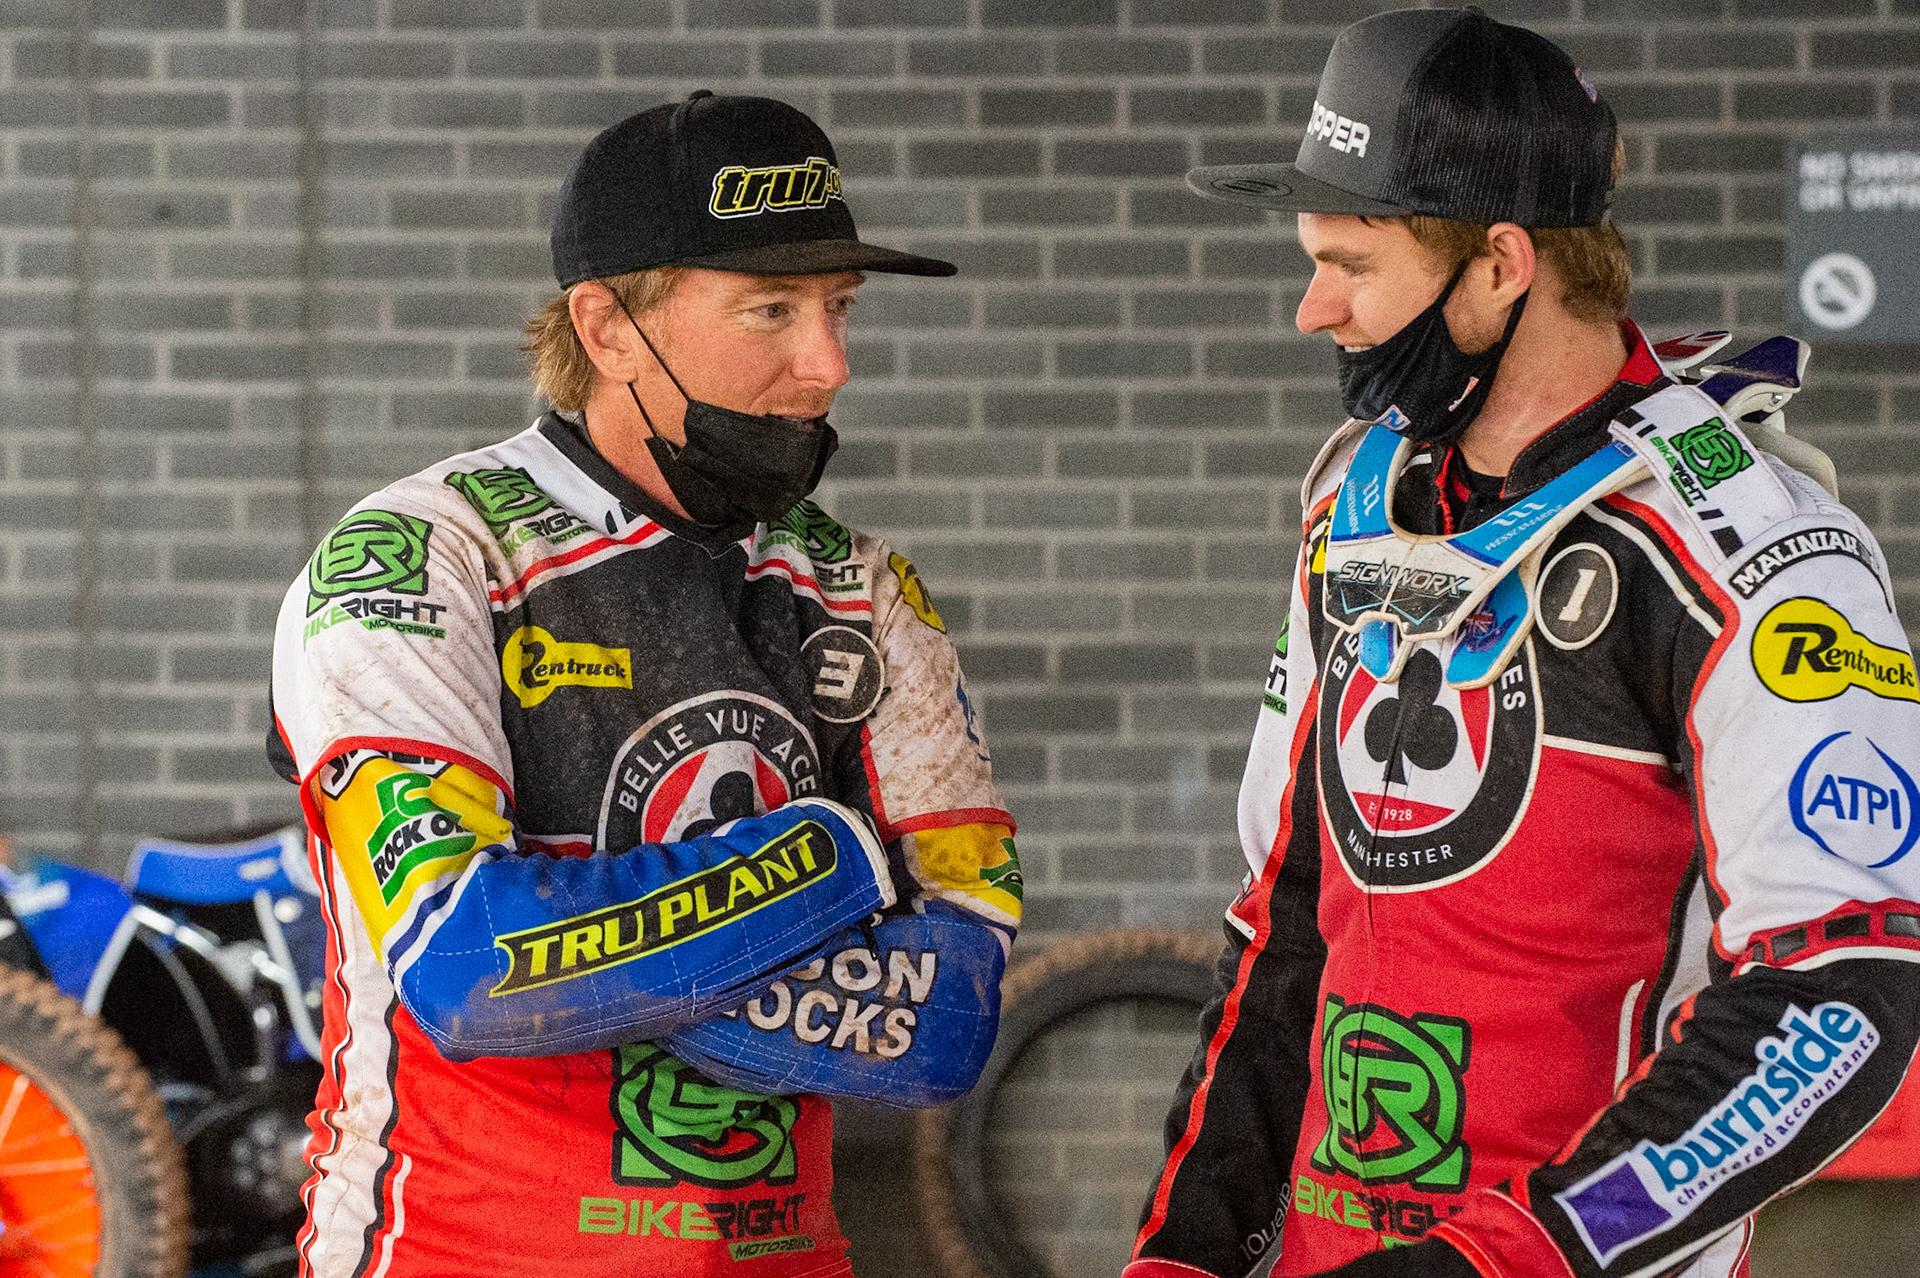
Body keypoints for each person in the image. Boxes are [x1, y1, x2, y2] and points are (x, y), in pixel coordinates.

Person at [1125, 10, 1920, 1278]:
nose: (1312, 308)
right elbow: (1283, 927)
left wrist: (1503, 1259)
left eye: (1351, 264)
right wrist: (1184, 1250)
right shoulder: (1359, 505)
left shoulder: (1752, 552)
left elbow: (1841, 998)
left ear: (1501, 264)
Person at [268, 91, 1021, 1278]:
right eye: (771, 309)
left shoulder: (861, 588)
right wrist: (831, 859)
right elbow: (471, 967)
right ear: (609, 326)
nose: (828, 364)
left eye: (837, 307)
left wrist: (591, 968)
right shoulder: (421, 558)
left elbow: (950, 1021)